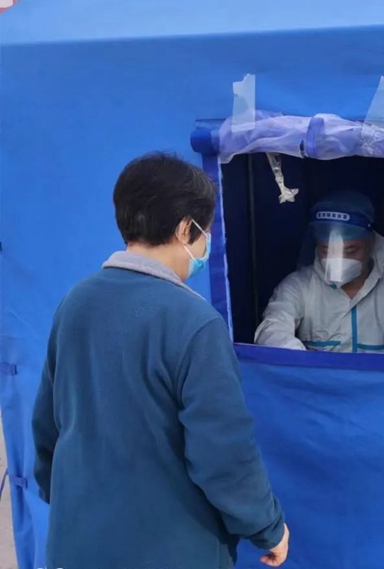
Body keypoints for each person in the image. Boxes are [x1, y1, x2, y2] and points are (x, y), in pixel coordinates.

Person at [32, 152, 290, 569]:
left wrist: (70, 505)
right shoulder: (195, 323)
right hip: (170, 551)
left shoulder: (75, 303)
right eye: (205, 232)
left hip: (76, 546)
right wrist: (268, 527)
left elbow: (47, 427)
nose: (205, 244)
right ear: (186, 229)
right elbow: (223, 455)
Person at [255, 190, 384, 353]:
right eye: (326, 250)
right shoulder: (298, 285)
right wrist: (300, 358)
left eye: (351, 250)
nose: (338, 259)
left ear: (372, 242)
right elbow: (272, 330)